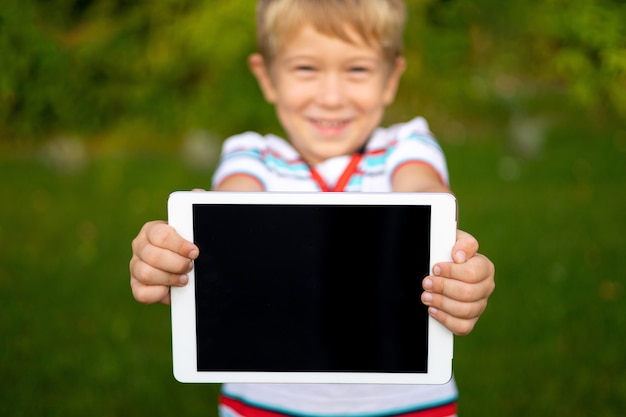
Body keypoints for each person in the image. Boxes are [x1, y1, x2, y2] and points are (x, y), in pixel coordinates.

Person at [129, 1, 495, 416]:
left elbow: (430, 196)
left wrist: (459, 267)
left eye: (357, 69)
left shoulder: (407, 147)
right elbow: (232, 217)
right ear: (267, 77)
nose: (332, 96)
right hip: (263, 407)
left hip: (408, 407)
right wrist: (174, 256)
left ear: (391, 77)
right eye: (306, 69)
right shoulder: (250, 157)